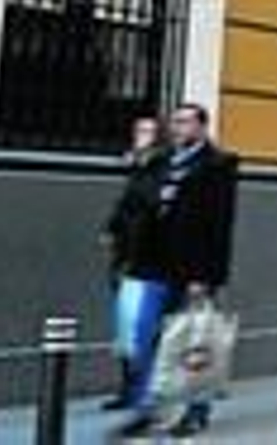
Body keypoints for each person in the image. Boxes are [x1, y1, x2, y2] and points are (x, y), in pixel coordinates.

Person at [117, 103, 239, 440]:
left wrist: (206, 277)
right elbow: (138, 202)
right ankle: (148, 410)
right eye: (174, 122)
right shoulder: (161, 160)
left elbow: (219, 225)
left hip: (192, 267)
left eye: (185, 122)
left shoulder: (218, 165)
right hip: (152, 263)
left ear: (201, 127)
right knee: (144, 337)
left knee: (194, 340)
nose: (177, 128)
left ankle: (196, 409)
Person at [102, 114, 164, 411]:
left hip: (147, 258)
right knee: (127, 325)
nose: (140, 136)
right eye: (138, 130)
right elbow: (125, 207)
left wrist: (141, 165)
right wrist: (110, 230)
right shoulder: (139, 169)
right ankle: (130, 388)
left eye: (147, 131)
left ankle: (143, 390)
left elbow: (148, 205)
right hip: (126, 255)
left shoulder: (160, 168)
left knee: (142, 326)